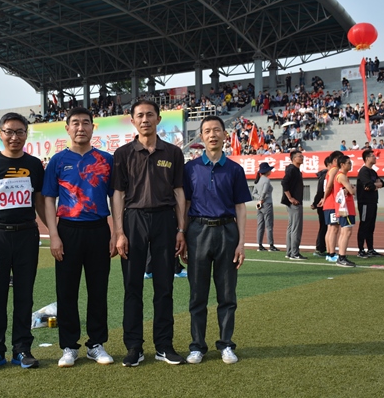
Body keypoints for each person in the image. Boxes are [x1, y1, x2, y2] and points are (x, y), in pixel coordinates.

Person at [112, 100, 187, 367]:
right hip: (133, 220)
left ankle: (164, 346)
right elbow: (118, 194)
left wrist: (181, 229)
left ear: (158, 119)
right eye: (140, 116)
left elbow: (179, 192)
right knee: (132, 287)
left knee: (164, 286)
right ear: (132, 120)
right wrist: (119, 232)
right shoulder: (122, 153)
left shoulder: (173, 152)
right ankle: (134, 347)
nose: (145, 119)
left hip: (165, 220)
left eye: (150, 115)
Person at [0, 112, 46, 371]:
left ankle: (22, 350)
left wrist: (55, 232)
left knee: (24, 296)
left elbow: (39, 203)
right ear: (1, 134)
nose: (15, 137)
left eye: (20, 132)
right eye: (9, 132)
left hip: (27, 237)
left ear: (26, 134)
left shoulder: (34, 165)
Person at [43, 107, 116, 367]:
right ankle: (68, 346)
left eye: (86, 123)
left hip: (99, 230)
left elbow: (115, 197)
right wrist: (53, 235)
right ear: (67, 128)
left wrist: (115, 232)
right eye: (75, 123)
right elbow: (48, 199)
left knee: (98, 290)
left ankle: (96, 344)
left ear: (93, 127)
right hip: (68, 231)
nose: (81, 127)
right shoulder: (58, 161)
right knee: (66, 292)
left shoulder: (106, 160)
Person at [182, 116, 250, 365]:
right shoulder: (190, 169)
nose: (212, 135)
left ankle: (226, 344)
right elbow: (186, 204)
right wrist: (183, 235)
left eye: (217, 130)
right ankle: (197, 346)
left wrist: (241, 242)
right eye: (207, 131)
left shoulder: (235, 169)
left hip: (227, 233)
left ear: (224, 135)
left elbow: (240, 207)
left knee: (227, 294)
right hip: (197, 232)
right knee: (197, 295)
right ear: (201, 136)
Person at [356, 149, 384, 258]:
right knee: (364, 225)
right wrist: (375, 185)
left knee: (371, 226)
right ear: (367, 158)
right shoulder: (363, 171)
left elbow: (382, 183)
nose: (375, 157)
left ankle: (370, 249)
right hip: (365, 203)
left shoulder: (373, 172)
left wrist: (375, 185)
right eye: (373, 156)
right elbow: (368, 185)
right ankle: (361, 250)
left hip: (373, 202)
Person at [281, 150, 306, 260]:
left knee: (291, 227)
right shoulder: (292, 169)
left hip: (293, 203)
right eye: (300, 156)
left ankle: (290, 252)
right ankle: (294, 253)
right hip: (294, 203)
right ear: (294, 158)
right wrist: (290, 198)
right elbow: (284, 182)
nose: (302, 158)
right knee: (296, 228)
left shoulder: (295, 170)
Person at [319, 151, 344, 262]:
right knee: (333, 229)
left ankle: (329, 253)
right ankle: (332, 253)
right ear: (335, 160)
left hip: (329, 203)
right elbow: (329, 186)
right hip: (332, 203)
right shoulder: (334, 170)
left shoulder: (330, 171)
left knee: (330, 229)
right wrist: (324, 198)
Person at [333, 155, 357, 267]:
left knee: (344, 232)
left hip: (345, 207)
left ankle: (341, 256)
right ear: (342, 164)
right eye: (348, 163)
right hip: (345, 208)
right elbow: (352, 191)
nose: (350, 165)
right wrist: (353, 188)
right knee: (346, 232)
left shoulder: (343, 176)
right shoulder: (341, 176)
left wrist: (351, 188)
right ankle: (341, 257)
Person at [253, 162, 277, 251]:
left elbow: (254, 193)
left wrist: (259, 199)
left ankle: (259, 245)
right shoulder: (266, 180)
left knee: (260, 225)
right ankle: (271, 245)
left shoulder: (258, 180)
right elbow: (265, 191)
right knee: (269, 225)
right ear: (267, 171)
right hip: (267, 204)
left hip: (259, 205)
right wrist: (262, 199)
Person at [311, 158, 330, 257]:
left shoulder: (325, 175)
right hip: (323, 205)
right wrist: (315, 203)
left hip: (324, 204)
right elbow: (320, 192)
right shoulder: (325, 176)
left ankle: (323, 248)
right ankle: (320, 248)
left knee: (326, 227)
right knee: (324, 227)